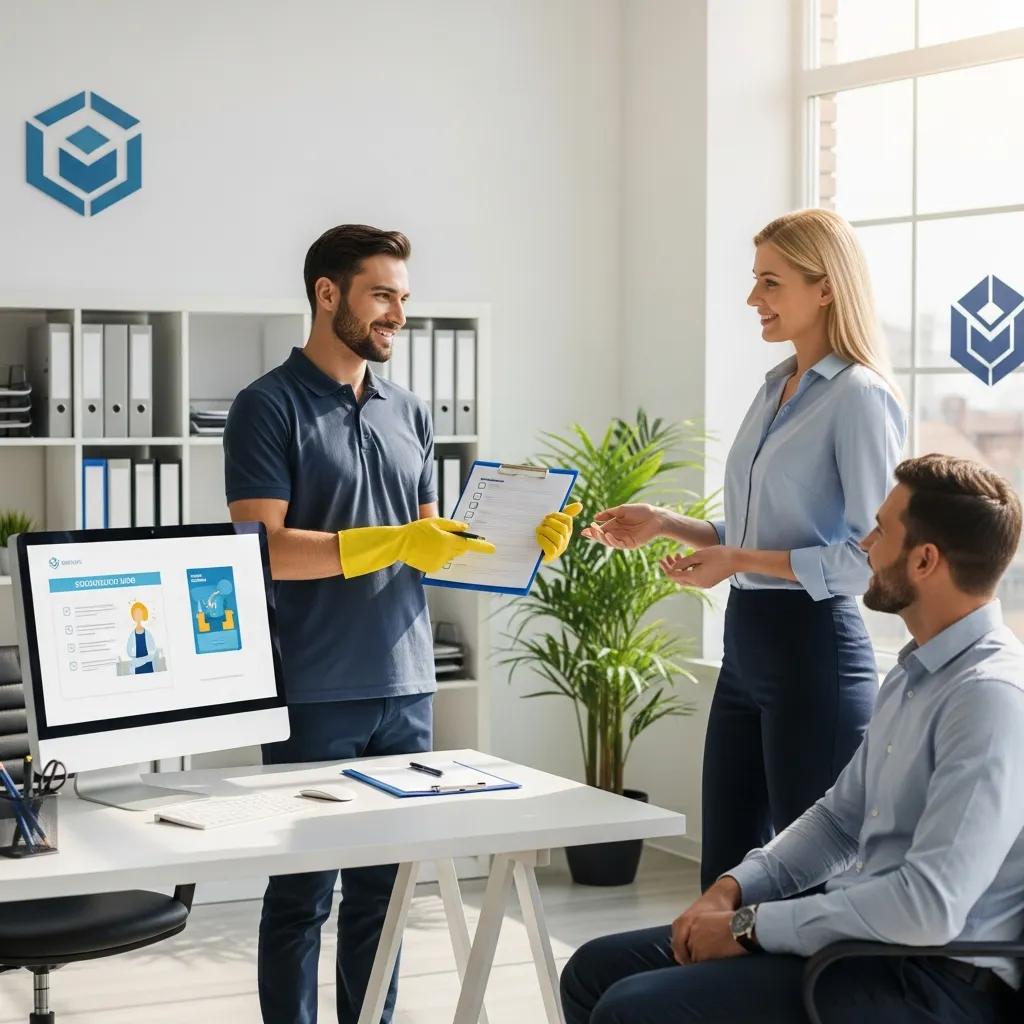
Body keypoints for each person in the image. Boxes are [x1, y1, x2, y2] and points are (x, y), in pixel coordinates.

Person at [223, 224, 580, 1024]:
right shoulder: (265, 407)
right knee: (302, 894)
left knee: (385, 895)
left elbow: (432, 552)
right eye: (382, 295)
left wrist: (524, 547)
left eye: (403, 299)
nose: (397, 315)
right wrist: (397, 540)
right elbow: (267, 551)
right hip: (315, 688)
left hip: (407, 685)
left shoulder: (408, 411)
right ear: (327, 294)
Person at [562, 454, 1024, 1024]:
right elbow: (837, 822)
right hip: (862, 948)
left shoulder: (990, 697)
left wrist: (750, 928)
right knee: (594, 969)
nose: (865, 545)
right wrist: (733, 889)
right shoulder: (912, 674)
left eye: (880, 530)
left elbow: (927, 909)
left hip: (932, 980)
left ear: (925, 560)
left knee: (634, 1010)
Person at [583, 208, 907, 890]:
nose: (752, 298)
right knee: (724, 878)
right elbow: (763, 536)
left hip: (813, 654)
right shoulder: (774, 389)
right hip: (747, 650)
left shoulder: (858, 399)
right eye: (754, 280)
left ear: (825, 288)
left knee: (806, 885)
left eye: (770, 282)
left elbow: (868, 555)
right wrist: (669, 523)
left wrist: (738, 563)